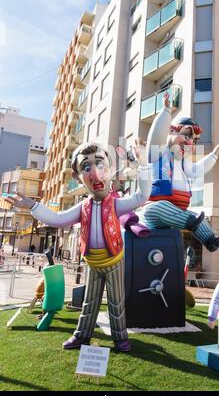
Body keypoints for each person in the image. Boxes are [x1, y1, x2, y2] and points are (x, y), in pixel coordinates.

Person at [5, 140, 152, 352]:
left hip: (114, 261)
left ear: (110, 169)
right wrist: (33, 206)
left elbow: (141, 196)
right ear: (77, 177)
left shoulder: (116, 204)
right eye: (86, 167)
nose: (94, 173)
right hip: (92, 262)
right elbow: (56, 219)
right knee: (89, 301)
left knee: (116, 302)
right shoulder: (82, 207)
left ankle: (120, 338)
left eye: (100, 164)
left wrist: (144, 163)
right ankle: (82, 335)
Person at [140, 93, 219, 252]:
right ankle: (191, 222)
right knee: (159, 208)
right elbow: (156, 137)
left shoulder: (184, 162)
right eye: (186, 135)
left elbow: (197, 170)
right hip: (154, 212)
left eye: (195, 140)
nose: (190, 142)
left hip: (177, 213)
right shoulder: (160, 153)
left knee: (197, 217)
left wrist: (214, 155)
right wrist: (166, 111)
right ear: (170, 131)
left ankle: (210, 240)